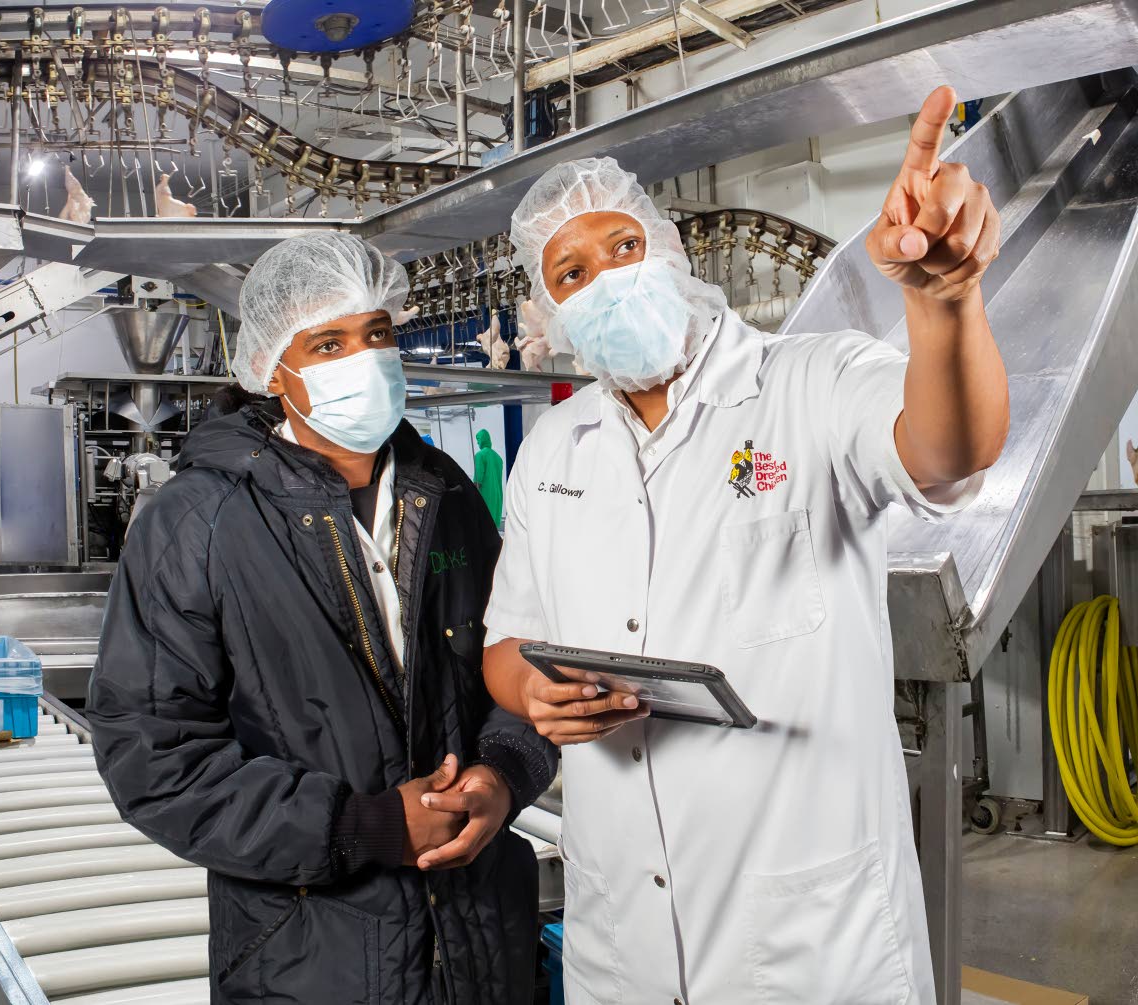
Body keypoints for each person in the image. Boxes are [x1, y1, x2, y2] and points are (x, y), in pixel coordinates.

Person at [482, 86, 1008, 1004]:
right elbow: (507, 641)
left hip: (807, 942)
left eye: (621, 248)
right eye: (570, 274)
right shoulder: (554, 456)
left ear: (671, 253)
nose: (602, 279)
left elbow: (946, 451)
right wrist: (535, 691)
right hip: (623, 947)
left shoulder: (807, 381)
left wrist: (946, 301)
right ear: (552, 311)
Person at [89, 232, 556, 1005]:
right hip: (309, 960)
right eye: (329, 342)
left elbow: (518, 662)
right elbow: (154, 758)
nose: (364, 359)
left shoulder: (448, 497)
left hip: (479, 947)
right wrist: (363, 826)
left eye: (376, 334)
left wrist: (504, 775)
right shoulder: (196, 523)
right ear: (274, 369)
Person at [473, 428, 505, 529]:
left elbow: (478, 480)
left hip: (486, 497)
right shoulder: (498, 458)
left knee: (483, 528)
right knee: (493, 529)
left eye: (478, 441)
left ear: (482, 440)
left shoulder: (480, 455)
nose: (478, 443)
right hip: (497, 497)